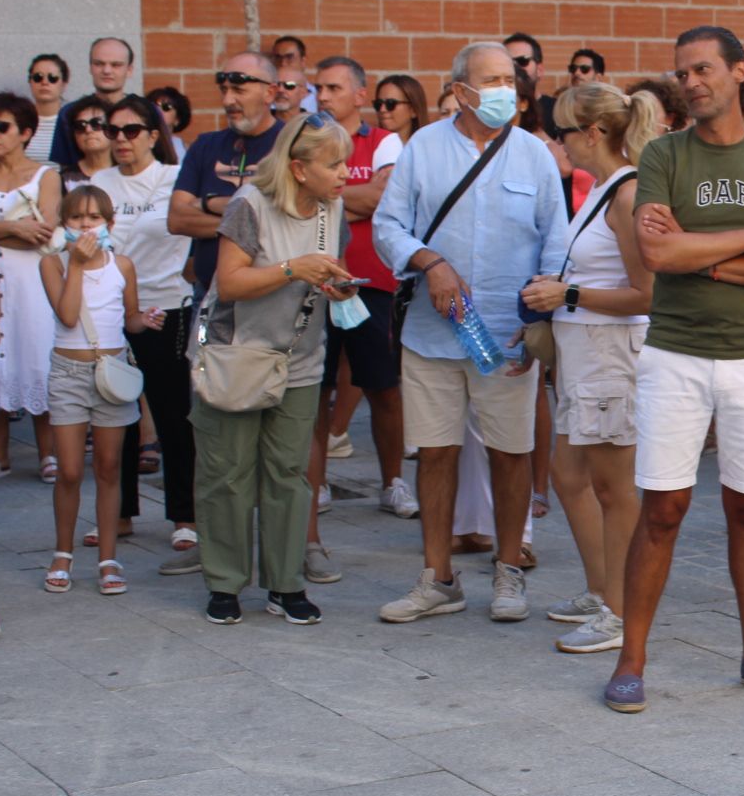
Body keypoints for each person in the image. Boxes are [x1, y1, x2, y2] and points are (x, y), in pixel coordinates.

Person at [601, 25, 744, 713]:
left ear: (739, 72)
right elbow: (658, 256)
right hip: (676, 354)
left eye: (702, 69)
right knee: (662, 509)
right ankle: (630, 660)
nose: (689, 82)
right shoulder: (663, 155)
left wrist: (712, 257)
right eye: (681, 73)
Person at [374, 42, 569, 626]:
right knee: (436, 453)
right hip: (431, 335)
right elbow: (388, 224)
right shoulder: (423, 149)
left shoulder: (533, 154)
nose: (505, 90)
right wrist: (429, 262)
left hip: (506, 337)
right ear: (460, 91)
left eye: (510, 79)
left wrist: (539, 313)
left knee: (512, 455)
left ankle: (508, 572)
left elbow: (555, 237)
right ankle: (438, 578)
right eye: (491, 80)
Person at [193, 115, 353, 627]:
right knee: (228, 475)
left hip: (300, 359)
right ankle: (224, 583)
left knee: (289, 474)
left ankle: (286, 584)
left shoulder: (334, 208)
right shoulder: (248, 204)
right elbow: (231, 282)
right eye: (335, 164)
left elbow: (326, 269)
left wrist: (338, 284)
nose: (346, 173)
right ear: (298, 168)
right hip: (235, 356)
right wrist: (292, 269)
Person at [515, 82, 659, 652]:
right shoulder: (601, 188)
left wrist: (566, 296)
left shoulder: (626, 193)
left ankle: (622, 612)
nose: (558, 143)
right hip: (584, 356)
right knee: (569, 476)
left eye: (563, 132)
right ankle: (604, 591)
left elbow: (647, 293)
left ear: (593, 133)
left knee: (613, 486)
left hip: (609, 357)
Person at [306, 56, 414, 561]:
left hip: (373, 282)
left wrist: (329, 191)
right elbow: (351, 196)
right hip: (315, 281)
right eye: (318, 88)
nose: (322, 97)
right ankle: (316, 483)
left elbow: (381, 198)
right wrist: (353, 196)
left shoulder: (383, 141)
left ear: (359, 95)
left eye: (333, 88)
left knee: (383, 388)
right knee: (316, 387)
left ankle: (393, 480)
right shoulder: (306, 137)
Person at [93, 96, 196, 568]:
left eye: (130, 130)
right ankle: (122, 512)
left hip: (168, 305)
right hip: (113, 310)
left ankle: (184, 516)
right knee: (117, 411)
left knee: (173, 414)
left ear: (154, 135)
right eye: (111, 130)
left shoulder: (173, 179)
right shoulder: (98, 183)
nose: (119, 139)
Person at [39, 186, 153, 598]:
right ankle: (62, 553)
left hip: (112, 370)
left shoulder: (122, 264)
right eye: (76, 219)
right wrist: (77, 263)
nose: (85, 225)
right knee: (69, 469)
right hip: (68, 371)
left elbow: (130, 319)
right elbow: (68, 314)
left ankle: (108, 558)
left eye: (93, 218)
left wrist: (146, 320)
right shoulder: (54, 264)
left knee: (108, 467)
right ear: (64, 225)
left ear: (109, 223)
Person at [0, 94, 59, 486]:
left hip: (31, 279)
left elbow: (44, 233)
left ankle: (49, 452)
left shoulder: (46, 176)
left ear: (25, 132)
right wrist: (13, 228)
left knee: (37, 355)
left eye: (2, 126)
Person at [168, 53, 283, 303]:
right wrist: (252, 223)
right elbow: (177, 219)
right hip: (209, 297)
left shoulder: (292, 144)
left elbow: (284, 219)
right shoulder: (205, 145)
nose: (228, 100)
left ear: (270, 93)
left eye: (239, 90)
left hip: (273, 300)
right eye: (224, 90)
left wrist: (208, 204)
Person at [47, 37, 135, 168]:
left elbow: (165, 161)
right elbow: (65, 167)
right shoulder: (69, 113)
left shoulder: (148, 112)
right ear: (90, 67)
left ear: (129, 70)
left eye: (116, 65)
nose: (106, 70)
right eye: (99, 63)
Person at [57, 98, 116, 190]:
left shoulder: (128, 172)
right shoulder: (63, 179)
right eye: (80, 126)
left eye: (96, 123)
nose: (88, 130)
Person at [26, 54, 70, 163]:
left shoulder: (72, 121)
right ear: (30, 82)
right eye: (38, 77)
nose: (44, 83)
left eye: (52, 78)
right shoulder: (18, 120)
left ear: (64, 84)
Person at [269, 35, 317, 113]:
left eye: (289, 57)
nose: (283, 63)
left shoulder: (319, 96)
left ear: (303, 61)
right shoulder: (265, 95)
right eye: (278, 57)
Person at [147, 86, 193, 160]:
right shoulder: (140, 144)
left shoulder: (187, 150)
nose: (158, 110)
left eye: (166, 107)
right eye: (154, 106)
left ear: (177, 119)